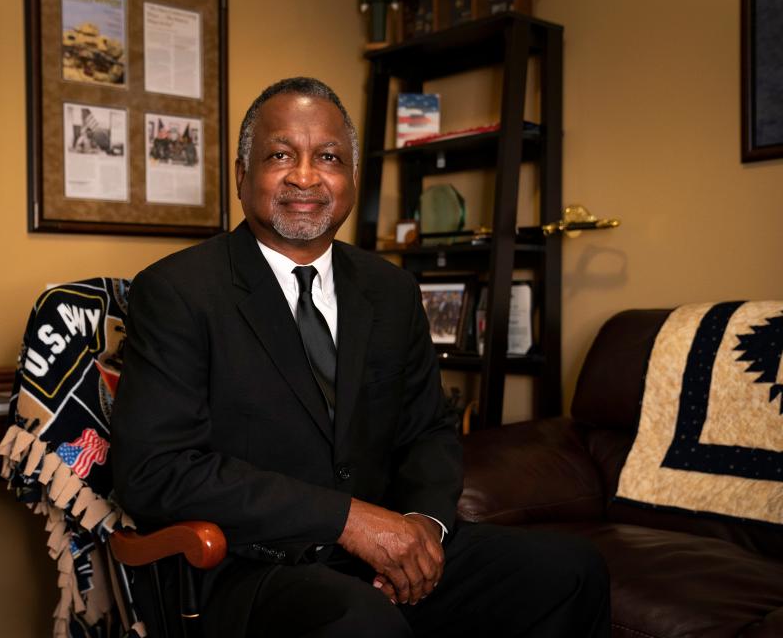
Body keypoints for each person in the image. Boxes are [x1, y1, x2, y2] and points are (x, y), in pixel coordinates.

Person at [111, 76, 610, 638]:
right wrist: (348, 521)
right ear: (241, 176)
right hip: (254, 567)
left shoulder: (391, 290)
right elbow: (155, 470)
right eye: (280, 155)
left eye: (328, 156)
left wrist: (423, 527)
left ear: (350, 178)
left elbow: (429, 431)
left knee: (569, 571)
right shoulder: (178, 291)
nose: (305, 176)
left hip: (384, 549)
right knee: (363, 624)